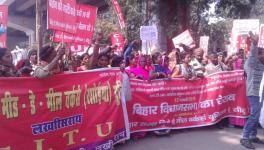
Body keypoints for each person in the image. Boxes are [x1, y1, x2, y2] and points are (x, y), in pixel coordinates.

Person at [240, 33, 264, 149]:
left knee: (257, 114)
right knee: (254, 115)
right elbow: (252, 55)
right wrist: (254, 43)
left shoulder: (262, 65)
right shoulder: (252, 64)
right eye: (262, 53)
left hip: (261, 93)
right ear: (258, 54)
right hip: (253, 93)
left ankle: (253, 136)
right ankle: (245, 137)